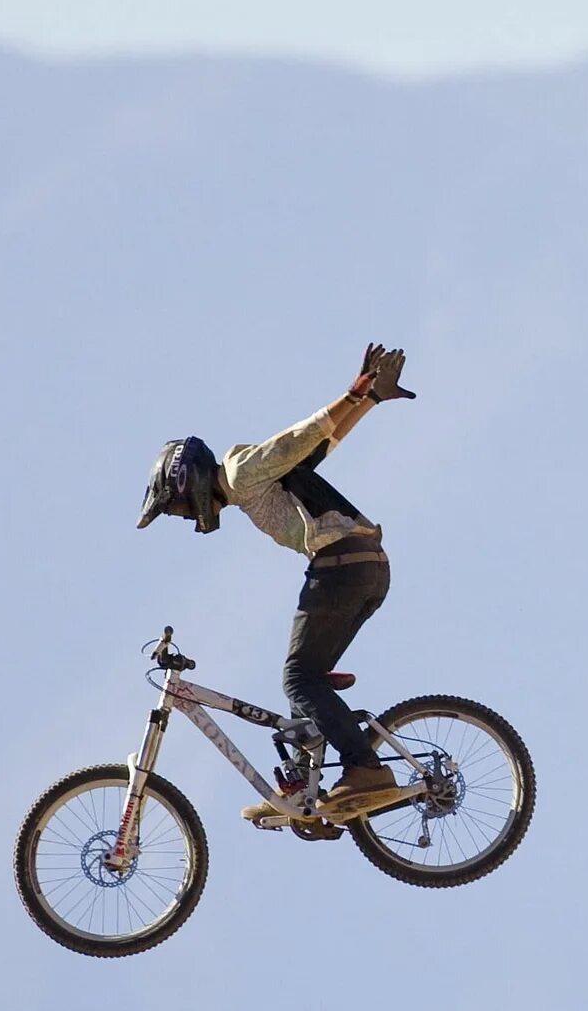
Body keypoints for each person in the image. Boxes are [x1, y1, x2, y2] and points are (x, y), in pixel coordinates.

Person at [137, 344, 418, 821]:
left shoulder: (242, 472)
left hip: (342, 566)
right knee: (300, 691)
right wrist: (369, 402)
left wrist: (352, 395)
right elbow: (319, 448)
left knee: (297, 677)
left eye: (178, 506)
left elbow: (299, 438)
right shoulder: (252, 487)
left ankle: (364, 768)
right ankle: (316, 799)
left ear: (188, 482)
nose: (186, 518)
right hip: (366, 567)